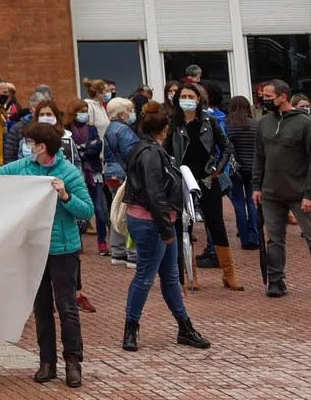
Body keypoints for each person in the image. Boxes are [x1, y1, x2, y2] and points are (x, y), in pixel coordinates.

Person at [0, 121, 93, 387]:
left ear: (42, 147)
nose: (26, 147)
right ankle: (47, 363)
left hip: (63, 249)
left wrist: (65, 196)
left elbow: (87, 211)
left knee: (66, 307)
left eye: (30, 143)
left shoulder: (69, 172)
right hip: (33, 248)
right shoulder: (23, 168)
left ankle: (73, 362)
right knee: (41, 308)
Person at [121, 103, 210, 351]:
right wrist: (164, 228)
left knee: (169, 276)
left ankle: (184, 327)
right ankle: (131, 330)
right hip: (152, 222)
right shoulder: (150, 152)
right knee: (145, 276)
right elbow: (154, 192)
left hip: (158, 220)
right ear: (164, 129)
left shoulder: (147, 148)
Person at [253, 79, 311, 300]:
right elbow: (259, 157)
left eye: (268, 97)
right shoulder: (264, 123)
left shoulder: (305, 124)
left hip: (300, 194)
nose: (263, 100)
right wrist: (256, 186)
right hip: (271, 194)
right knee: (274, 239)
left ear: (282, 96)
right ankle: (275, 282)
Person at [167, 82, 237, 289]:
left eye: (191, 96)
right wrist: (173, 171)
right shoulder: (174, 123)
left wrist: (219, 168)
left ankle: (229, 273)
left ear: (198, 100)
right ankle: (190, 273)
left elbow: (226, 147)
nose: (186, 100)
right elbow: (165, 150)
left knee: (216, 223)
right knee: (184, 226)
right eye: (183, 96)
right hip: (184, 178)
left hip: (208, 177)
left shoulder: (210, 120)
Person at [67, 99, 108, 257]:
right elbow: (69, 150)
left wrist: (82, 148)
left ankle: (102, 242)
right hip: (77, 174)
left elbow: (97, 146)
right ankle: (79, 243)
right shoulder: (66, 130)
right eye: (81, 111)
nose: (84, 114)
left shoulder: (92, 129)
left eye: (86, 111)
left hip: (94, 172)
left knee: (99, 209)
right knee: (76, 210)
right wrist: (85, 147)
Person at [101, 99, 139, 265]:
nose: (131, 113)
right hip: (124, 173)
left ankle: (117, 251)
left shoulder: (110, 128)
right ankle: (132, 254)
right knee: (129, 211)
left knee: (116, 210)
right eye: (129, 110)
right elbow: (131, 153)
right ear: (122, 112)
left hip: (111, 172)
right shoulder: (123, 130)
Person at [224, 95, 262, 252]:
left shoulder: (229, 125)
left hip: (236, 170)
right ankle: (255, 237)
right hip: (253, 169)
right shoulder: (256, 125)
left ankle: (244, 238)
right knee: (252, 202)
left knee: (238, 204)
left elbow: (227, 147)